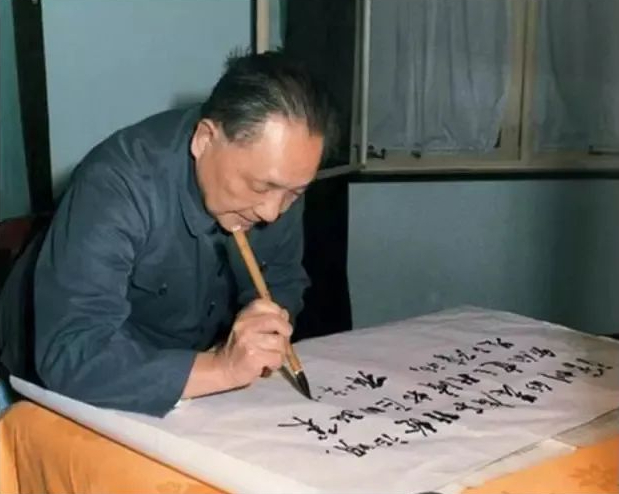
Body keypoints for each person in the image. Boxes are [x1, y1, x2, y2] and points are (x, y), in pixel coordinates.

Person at [2, 51, 338, 417]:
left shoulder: (280, 177)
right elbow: (72, 355)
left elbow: (282, 282)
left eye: (294, 194)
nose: (272, 213)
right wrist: (222, 368)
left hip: (185, 378)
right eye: (261, 187)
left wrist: (263, 330)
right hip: (46, 379)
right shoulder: (119, 183)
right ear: (205, 140)